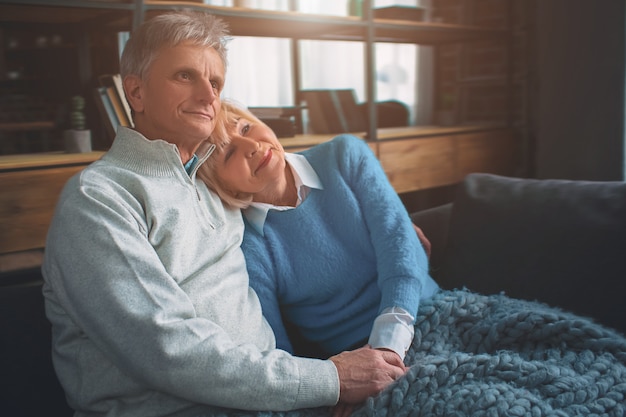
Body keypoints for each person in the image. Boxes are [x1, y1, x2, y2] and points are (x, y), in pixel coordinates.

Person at [41, 11, 406, 417]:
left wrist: (394, 228)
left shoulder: (212, 189)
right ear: (136, 93)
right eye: (185, 76)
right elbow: (164, 348)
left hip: (275, 401)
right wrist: (329, 380)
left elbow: (292, 209)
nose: (208, 96)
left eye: (215, 82)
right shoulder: (99, 197)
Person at [199, 101, 439, 362]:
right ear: (223, 187)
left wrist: (388, 344)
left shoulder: (345, 155)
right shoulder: (249, 246)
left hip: (424, 311)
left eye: (245, 128)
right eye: (230, 152)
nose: (252, 146)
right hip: (354, 359)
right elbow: (273, 347)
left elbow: (399, 243)